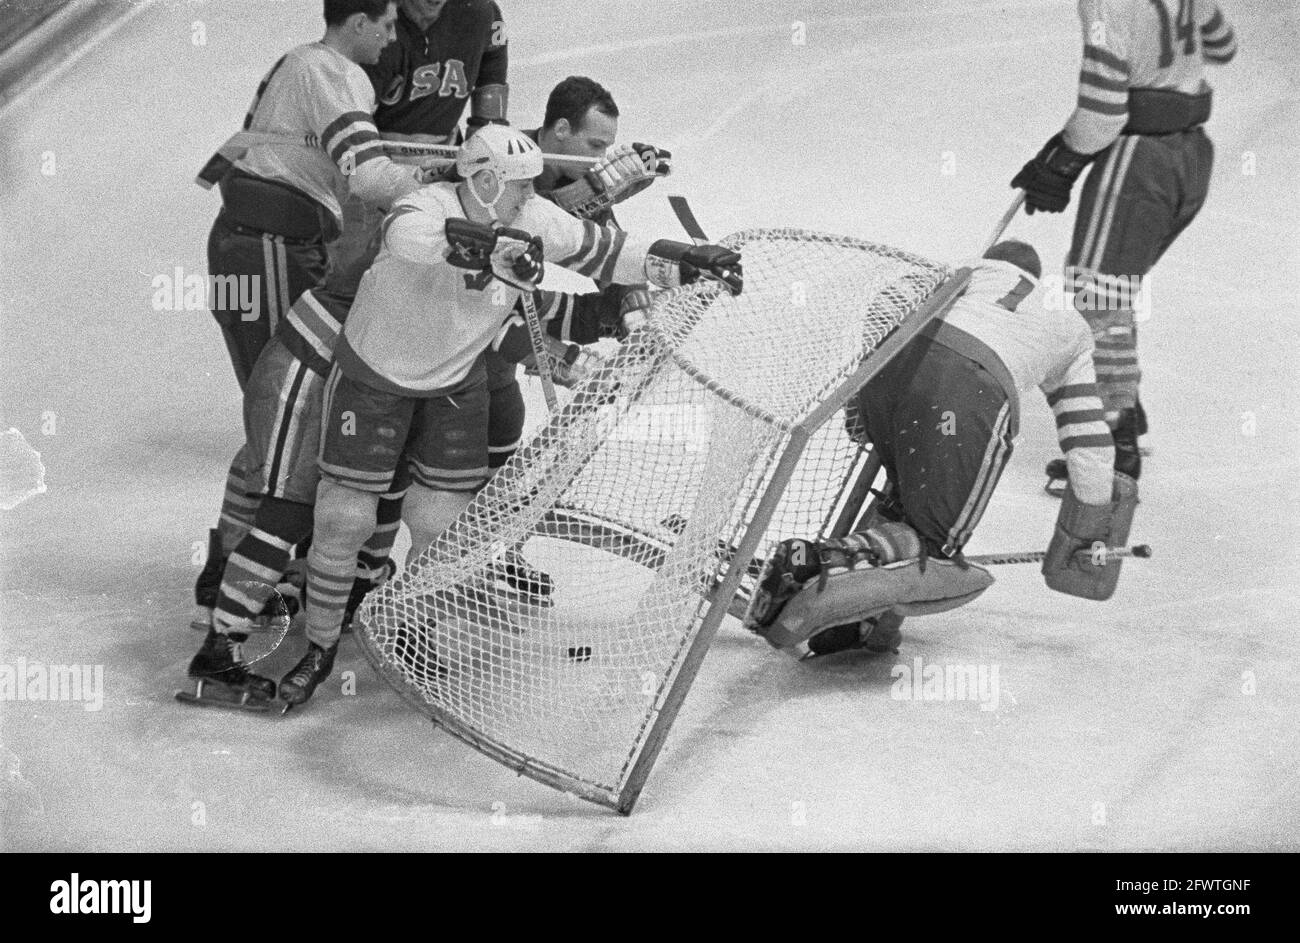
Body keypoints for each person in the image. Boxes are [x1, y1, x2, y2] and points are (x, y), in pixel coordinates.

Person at [269, 125, 739, 708]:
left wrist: (686, 261)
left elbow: (610, 252)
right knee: (344, 520)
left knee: (441, 527)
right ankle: (318, 649)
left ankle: (413, 630)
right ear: (485, 181)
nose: (528, 199)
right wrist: (489, 249)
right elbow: (411, 239)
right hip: (374, 378)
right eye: (517, 188)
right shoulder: (427, 204)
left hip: (452, 385)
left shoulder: (533, 215)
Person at [746, 241, 1136, 660]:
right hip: (967, 392)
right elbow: (1087, 436)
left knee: (907, 496)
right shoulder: (1069, 323)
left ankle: (861, 620)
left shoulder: (968, 268)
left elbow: (885, 307)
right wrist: (1090, 529)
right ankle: (815, 562)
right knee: (935, 550)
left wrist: (858, 406)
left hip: (894, 365)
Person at [190, 0, 432, 638]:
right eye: (385, 26)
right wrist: (444, 184)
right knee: (282, 424)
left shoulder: (303, 66)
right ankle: (235, 578)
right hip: (270, 242)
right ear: (358, 22)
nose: (390, 40)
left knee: (273, 423)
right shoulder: (331, 70)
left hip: (262, 240)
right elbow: (368, 174)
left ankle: (226, 570)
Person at [1011, 0, 1237, 488]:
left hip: (1138, 163)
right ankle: (1125, 409)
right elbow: (1224, 44)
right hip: (1191, 155)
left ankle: (1114, 438)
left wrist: (1062, 161)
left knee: (1097, 297)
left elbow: (1103, 112)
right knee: (1114, 291)